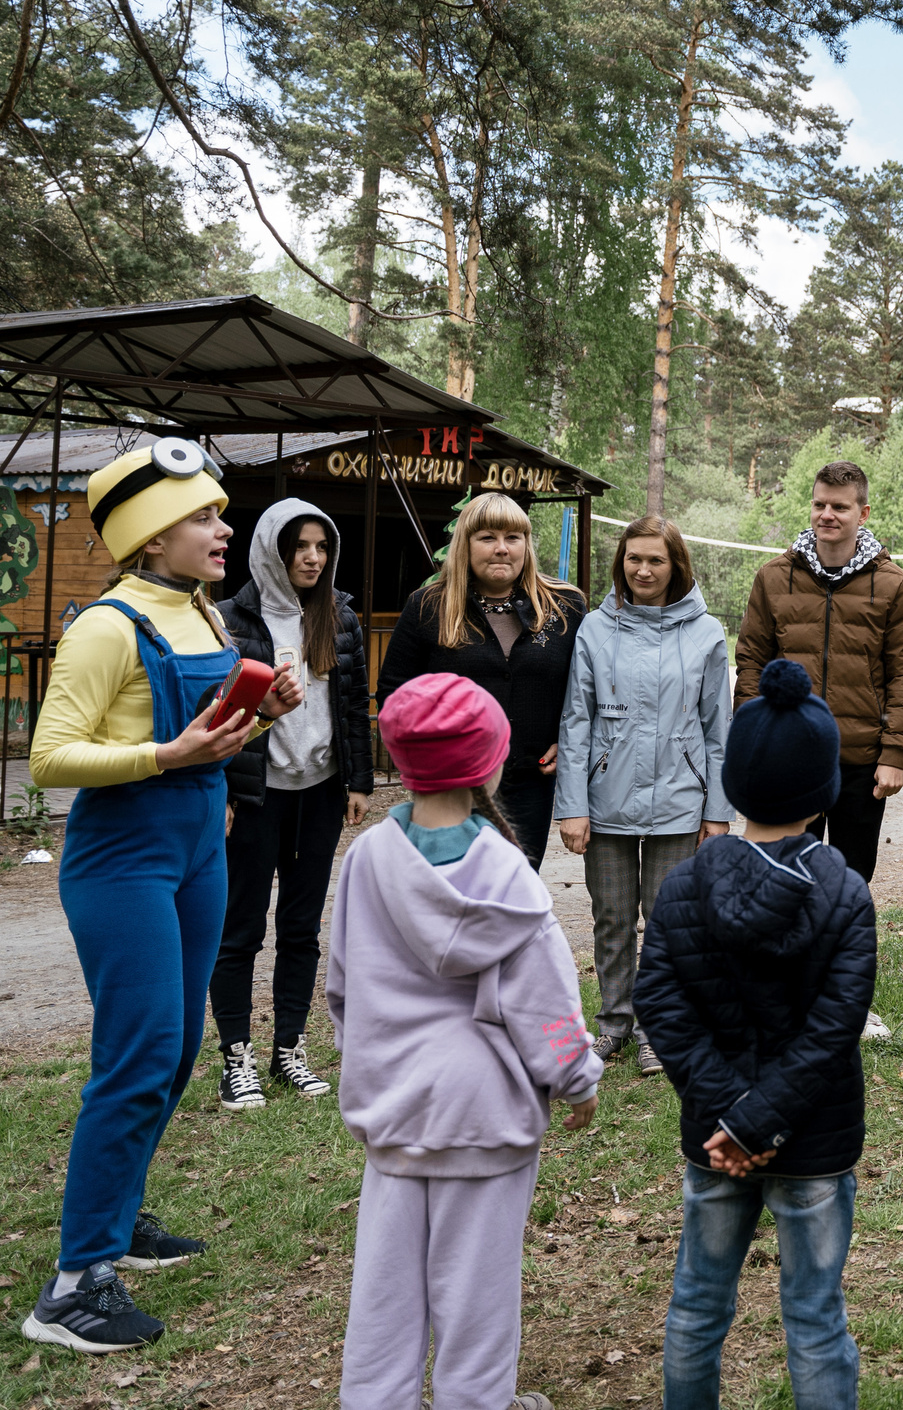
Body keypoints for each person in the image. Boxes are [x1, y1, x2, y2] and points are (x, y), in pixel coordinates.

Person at [21, 440, 305, 1354]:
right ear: (149, 537)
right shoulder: (105, 627)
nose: (222, 530)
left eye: (217, 515)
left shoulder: (206, 616)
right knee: (137, 1051)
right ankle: (72, 1286)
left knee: (179, 1047)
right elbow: (50, 755)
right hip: (123, 858)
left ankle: (119, 1215)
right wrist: (163, 758)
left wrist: (268, 711)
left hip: (198, 845)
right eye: (203, 517)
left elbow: (210, 732)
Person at [330, 673, 598, 1410]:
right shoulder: (507, 873)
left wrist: (371, 1063)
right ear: (489, 761)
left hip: (393, 1109)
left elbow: (343, 986)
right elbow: (543, 1001)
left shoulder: (365, 860)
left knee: (383, 1297)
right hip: (483, 1116)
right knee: (476, 1301)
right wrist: (576, 1075)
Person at [637, 657, 876, 1410]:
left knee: (697, 1306)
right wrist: (757, 1119)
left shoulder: (681, 883)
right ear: (825, 785)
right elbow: (833, 1029)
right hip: (810, 1139)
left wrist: (731, 1115)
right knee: (815, 1314)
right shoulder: (844, 891)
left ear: (733, 780)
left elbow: (659, 1001)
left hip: (716, 1141)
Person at [553, 516, 734, 1077]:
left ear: (676, 565)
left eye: (656, 560)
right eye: (634, 558)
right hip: (605, 802)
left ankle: (661, 1026)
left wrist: (718, 812)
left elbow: (718, 730)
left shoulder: (706, 632)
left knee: (667, 920)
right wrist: (573, 805)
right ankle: (613, 1023)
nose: (644, 570)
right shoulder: (595, 629)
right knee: (611, 917)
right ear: (620, 562)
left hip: (681, 801)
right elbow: (576, 721)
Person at [211, 497, 372, 1112]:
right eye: (298, 546)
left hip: (322, 792)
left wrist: (359, 780)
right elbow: (220, 713)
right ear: (270, 550)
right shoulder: (229, 619)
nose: (312, 557)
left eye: (321, 547)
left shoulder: (340, 618)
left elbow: (354, 706)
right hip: (255, 795)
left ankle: (288, 1049)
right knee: (241, 929)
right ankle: (235, 1058)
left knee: (302, 927)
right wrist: (222, 787)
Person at [732, 458, 903, 902]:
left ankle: (838, 967)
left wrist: (895, 754)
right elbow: (751, 665)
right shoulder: (774, 578)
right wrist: (754, 739)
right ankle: (786, 969)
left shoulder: (894, 585)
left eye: (839, 506)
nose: (827, 515)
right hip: (788, 756)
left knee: (848, 885)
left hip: (859, 761)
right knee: (780, 879)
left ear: (863, 513)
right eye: (820, 504)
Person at [377, 490, 585, 869]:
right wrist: (427, 760)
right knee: (452, 882)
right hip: (452, 785)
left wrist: (567, 740)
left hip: (531, 780)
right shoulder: (427, 606)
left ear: (526, 544)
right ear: (465, 544)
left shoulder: (566, 606)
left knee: (514, 885)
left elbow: (586, 690)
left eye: (513, 537)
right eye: (487, 537)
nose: (502, 548)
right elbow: (394, 693)